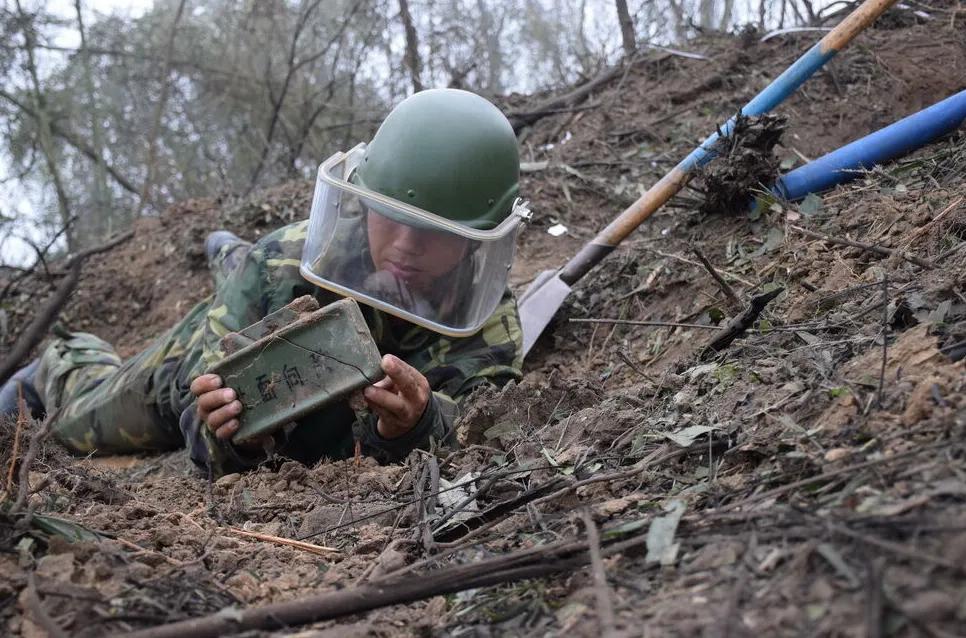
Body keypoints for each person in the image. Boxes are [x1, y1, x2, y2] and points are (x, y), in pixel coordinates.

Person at [0, 89, 528, 477]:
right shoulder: (286, 261)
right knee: (80, 423)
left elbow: (484, 428)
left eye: (434, 233)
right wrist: (226, 430)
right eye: (389, 217)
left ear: (476, 241)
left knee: (250, 268)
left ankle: (226, 252)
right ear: (361, 198)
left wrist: (420, 422)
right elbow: (201, 435)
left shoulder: (485, 322)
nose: (406, 248)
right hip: (187, 364)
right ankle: (61, 363)